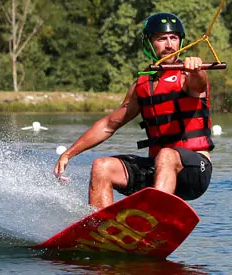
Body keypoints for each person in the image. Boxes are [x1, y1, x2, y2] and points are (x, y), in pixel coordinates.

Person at [53, 12, 214, 210]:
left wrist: (197, 69)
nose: (169, 44)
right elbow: (108, 125)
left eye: (174, 38)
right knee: (101, 167)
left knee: (166, 154)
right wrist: (69, 154)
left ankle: (152, 217)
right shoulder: (142, 85)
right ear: (149, 44)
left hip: (195, 171)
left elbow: (199, 83)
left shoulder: (187, 76)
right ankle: (100, 228)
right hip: (158, 170)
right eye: (162, 39)